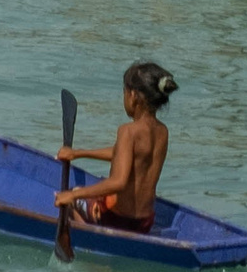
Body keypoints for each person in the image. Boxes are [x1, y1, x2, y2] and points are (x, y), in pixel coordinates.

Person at [56, 62, 178, 233]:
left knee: (72, 195)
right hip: (144, 221)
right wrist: (78, 153)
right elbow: (124, 154)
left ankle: (91, 241)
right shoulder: (162, 132)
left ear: (133, 95)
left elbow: (118, 182)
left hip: (117, 220)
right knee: (100, 195)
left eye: (124, 92)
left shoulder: (128, 131)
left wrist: (72, 195)